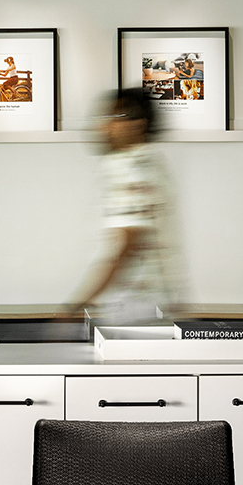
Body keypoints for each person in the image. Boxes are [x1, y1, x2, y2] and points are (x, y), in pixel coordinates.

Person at [67, 87, 183, 324]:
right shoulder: (147, 163)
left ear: (138, 124)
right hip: (147, 304)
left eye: (114, 118)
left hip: (136, 309)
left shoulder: (132, 169)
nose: (104, 126)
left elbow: (127, 245)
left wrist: (75, 307)